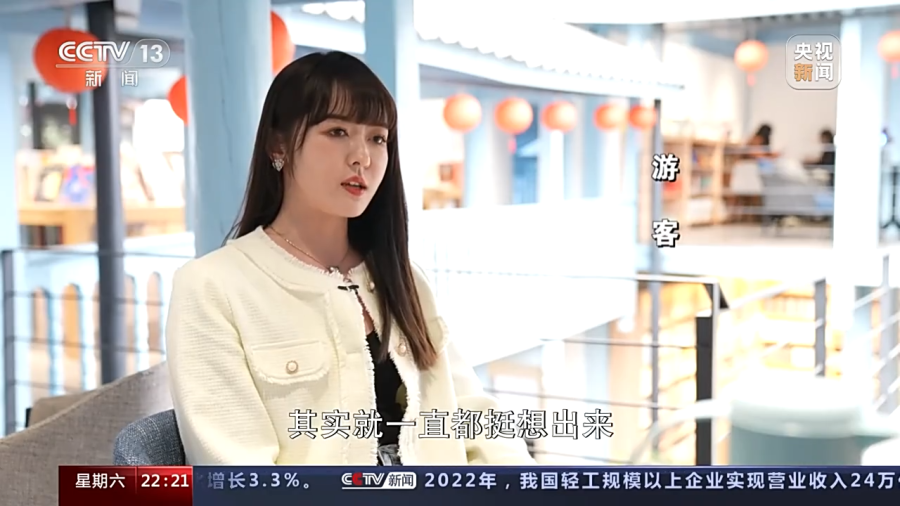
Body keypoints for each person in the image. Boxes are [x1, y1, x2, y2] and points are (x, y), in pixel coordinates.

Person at [164, 51, 535, 466]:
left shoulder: (403, 278)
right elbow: (239, 472)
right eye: (337, 131)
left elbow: (472, 413)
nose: (363, 156)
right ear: (278, 144)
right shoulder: (212, 287)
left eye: (378, 138)